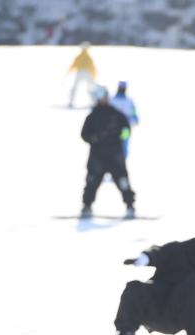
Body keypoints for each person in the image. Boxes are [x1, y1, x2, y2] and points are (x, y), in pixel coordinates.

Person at [80, 86, 135, 219]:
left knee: (122, 180)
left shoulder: (116, 114)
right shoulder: (92, 116)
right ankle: (87, 206)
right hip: (97, 157)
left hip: (115, 156)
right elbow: (84, 134)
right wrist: (93, 138)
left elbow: (126, 129)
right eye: (99, 97)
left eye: (103, 97)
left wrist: (119, 137)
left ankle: (130, 206)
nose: (102, 99)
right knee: (92, 182)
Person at [110, 81, 139, 158]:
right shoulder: (111, 100)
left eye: (123, 88)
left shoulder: (129, 101)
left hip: (125, 128)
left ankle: (122, 159)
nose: (122, 89)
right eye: (121, 87)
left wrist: (135, 119)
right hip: (113, 127)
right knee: (112, 143)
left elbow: (133, 113)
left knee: (124, 144)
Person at [67, 42, 97, 108]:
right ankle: (94, 102)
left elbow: (73, 65)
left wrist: (68, 72)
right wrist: (94, 75)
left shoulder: (79, 56)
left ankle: (71, 102)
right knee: (90, 88)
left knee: (75, 88)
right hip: (87, 73)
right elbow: (92, 67)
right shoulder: (88, 57)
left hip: (80, 73)